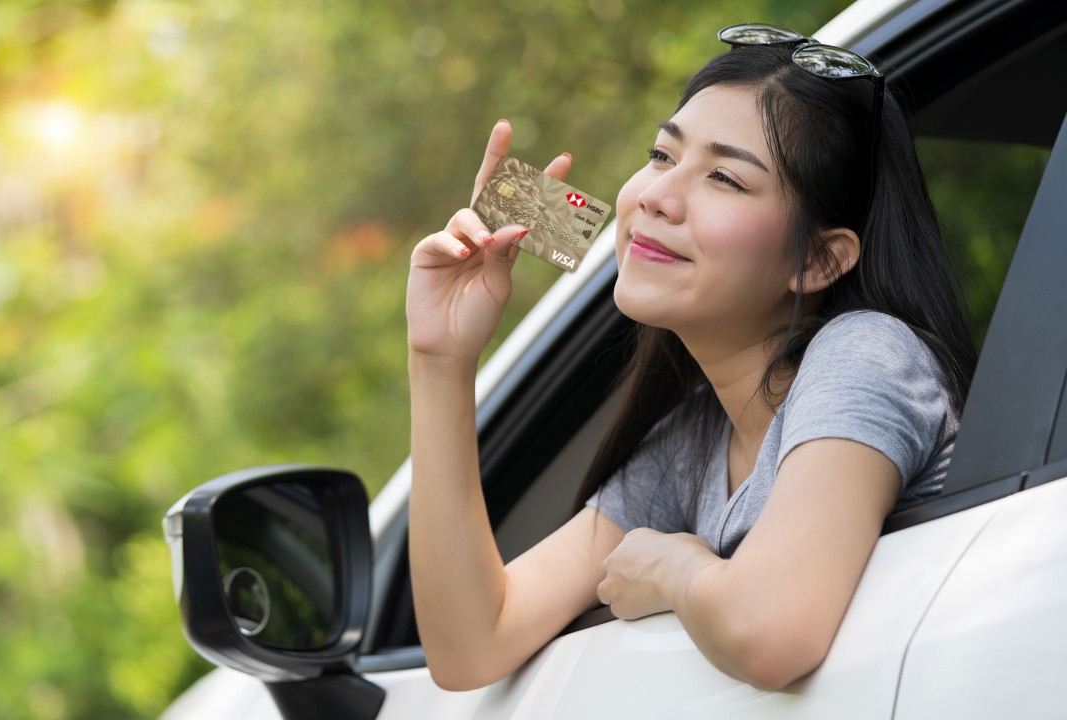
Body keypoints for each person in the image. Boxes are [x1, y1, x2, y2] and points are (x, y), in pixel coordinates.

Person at [404, 24, 977, 692]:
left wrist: (674, 567)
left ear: (820, 258)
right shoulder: (693, 442)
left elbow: (774, 632)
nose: (654, 195)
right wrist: (441, 359)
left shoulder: (868, 352)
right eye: (661, 155)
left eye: (725, 178)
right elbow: (473, 645)